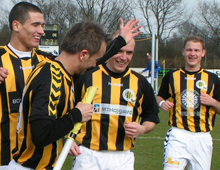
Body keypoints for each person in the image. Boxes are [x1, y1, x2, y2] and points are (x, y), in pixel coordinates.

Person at [8, 18, 142, 169]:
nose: (95, 65)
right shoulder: (51, 80)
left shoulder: (59, 69)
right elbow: (41, 135)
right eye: (95, 60)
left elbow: (98, 59)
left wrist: (120, 41)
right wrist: (77, 115)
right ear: (83, 55)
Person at [71, 30, 160, 170]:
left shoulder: (140, 82)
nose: (124, 57)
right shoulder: (87, 76)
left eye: (129, 52)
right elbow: (66, 109)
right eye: (119, 51)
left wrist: (142, 129)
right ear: (109, 50)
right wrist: (67, 139)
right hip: (88, 154)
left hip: (122, 158)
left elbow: (151, 116)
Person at [0, 2, 55, 168]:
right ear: (16, 25)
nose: (42, 31)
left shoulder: (49, 63)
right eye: (36, 25)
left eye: (42, 25)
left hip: (36, 161)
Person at [157, 35, 220, 170]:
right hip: (178, 135)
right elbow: (159, 97)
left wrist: (213, 102)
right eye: (189, 50)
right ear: (183, 52)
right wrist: (162, 103)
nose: (193, 54)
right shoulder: (172, 76)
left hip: (202, 138)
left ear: (203, 53)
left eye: (196, 50)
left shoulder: (213, 79)